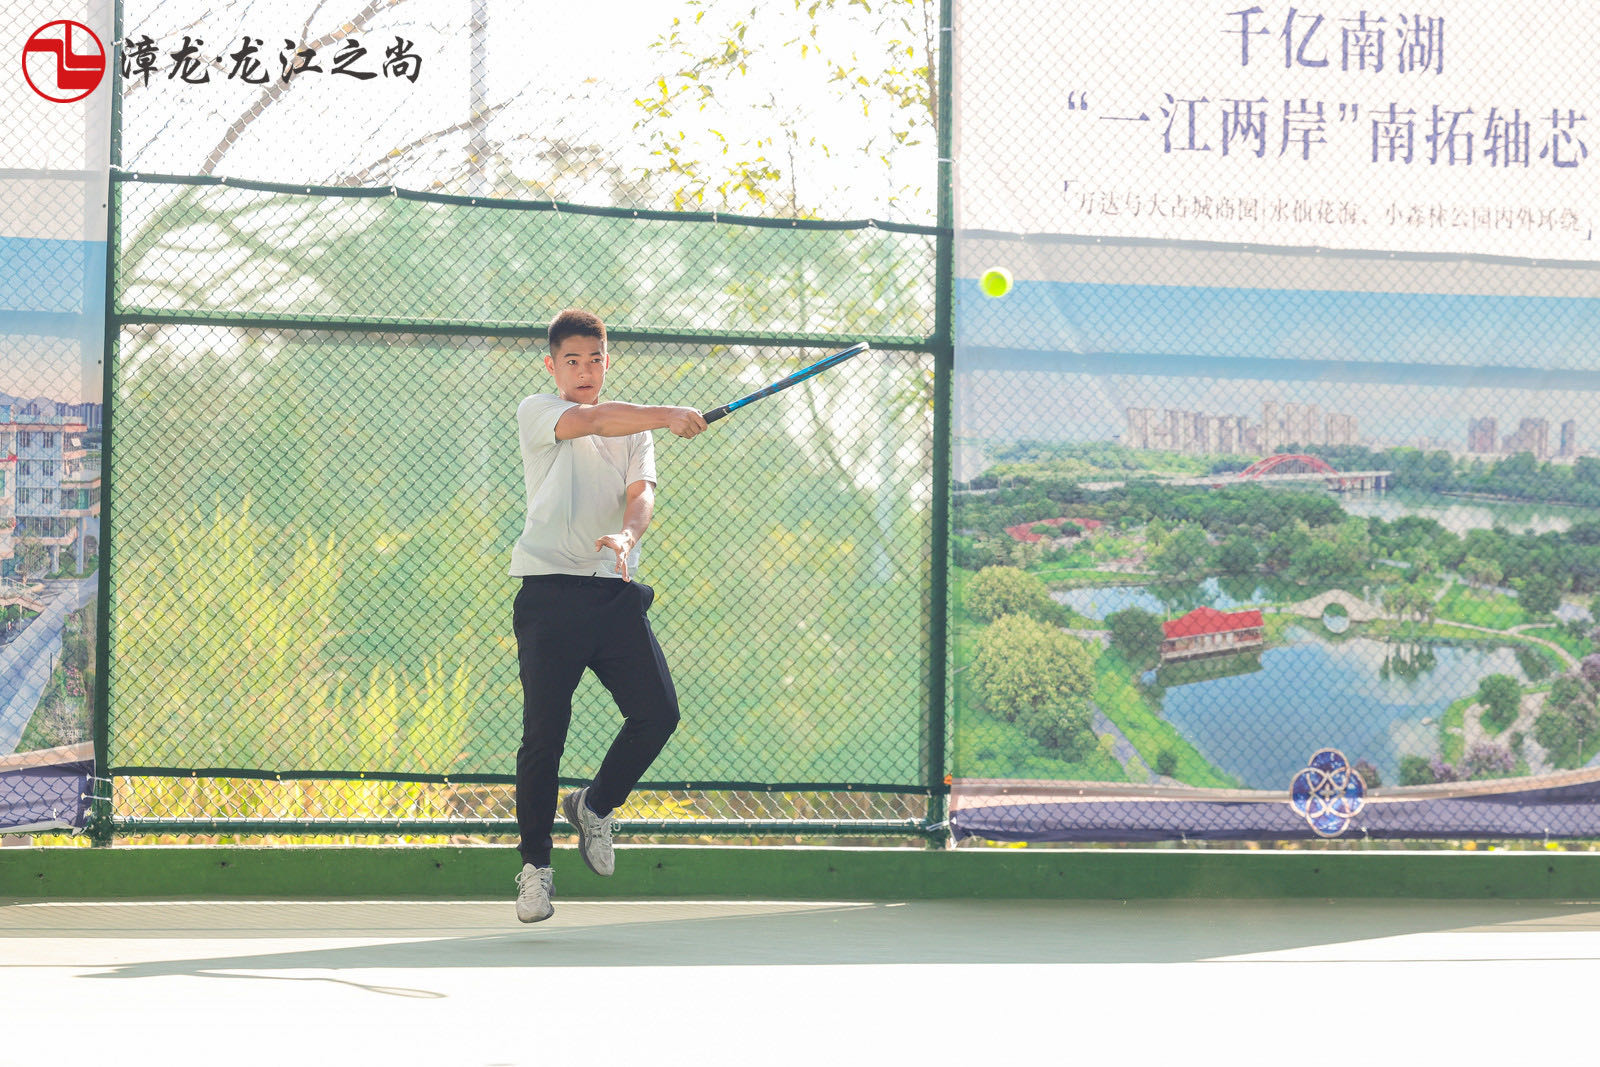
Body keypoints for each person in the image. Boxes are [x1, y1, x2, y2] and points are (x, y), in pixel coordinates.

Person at [510, 308, 708, 923]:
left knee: (658, 714)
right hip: (548, 594)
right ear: (552, 366)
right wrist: (670, 413)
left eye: (595, 360)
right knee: (544, 736)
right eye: (572, 361)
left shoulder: (635, 430)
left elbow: (641, 493)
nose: (585, 371)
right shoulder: (539, 411)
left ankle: (594, 806)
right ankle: (535, 870)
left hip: (612, 591)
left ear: (607, 362)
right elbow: (594, 420)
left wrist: (628, 534)